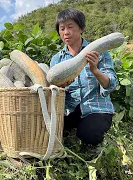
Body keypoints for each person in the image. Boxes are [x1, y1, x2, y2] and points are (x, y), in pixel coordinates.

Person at [50, 8, 118, 145]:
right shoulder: (56, 60)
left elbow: (111, 84)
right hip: (69, 110)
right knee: (49, 131)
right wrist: (60, 87)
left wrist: (95, 70)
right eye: (62, 29)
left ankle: (86, 131)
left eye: (70, 27)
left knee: (89, 135)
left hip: (96, 108)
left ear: (81, 28)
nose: (66, 32)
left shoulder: (99, 52)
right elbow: (52, 91)